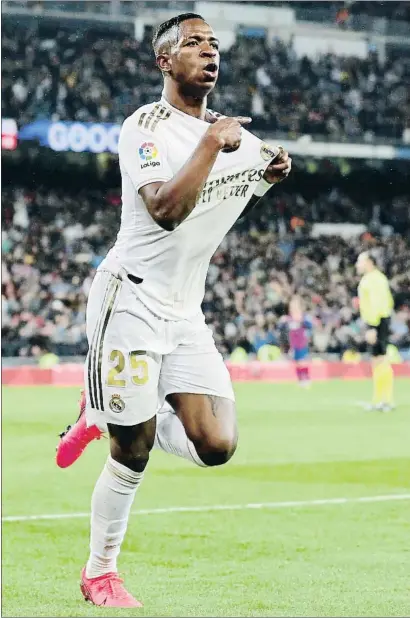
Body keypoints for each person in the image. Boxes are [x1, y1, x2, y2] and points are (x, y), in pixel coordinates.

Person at [57, 13, 292, 607]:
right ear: (165, 61)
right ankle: (99, 572)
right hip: (128, 300)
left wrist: (270, 171)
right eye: (193, 43)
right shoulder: (145, 127)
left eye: (214, 44)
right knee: (130, 452)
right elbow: (164, 209)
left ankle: (105, 407)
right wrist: (214, 144)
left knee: (217, 443)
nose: (209, 52)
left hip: (185, 312)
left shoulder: (231, 134)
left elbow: (248, 180)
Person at [356, 251, 394, 411]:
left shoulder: (372, 280)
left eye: (360, 261)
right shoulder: (379, 278)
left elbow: (376, 303)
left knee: (379, 360)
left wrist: (372, 327)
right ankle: (383, 399)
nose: (357, 265)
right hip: (380, 320)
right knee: (379, 360)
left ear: (369, 262)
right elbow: (388, 301)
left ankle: (383, 400)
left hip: (376, 321)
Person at [280, 295, 312, 386]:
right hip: (293, 344)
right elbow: (282, 327)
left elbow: (310, 325)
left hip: (302, 343)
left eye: (295, 305)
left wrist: (301, 321)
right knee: (297, 362)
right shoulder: (288, 318)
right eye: (291, 306)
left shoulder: (303, 317)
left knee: (302, 361)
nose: (293, 308)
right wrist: (283, 322)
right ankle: (300, 379)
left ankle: (306, 377)